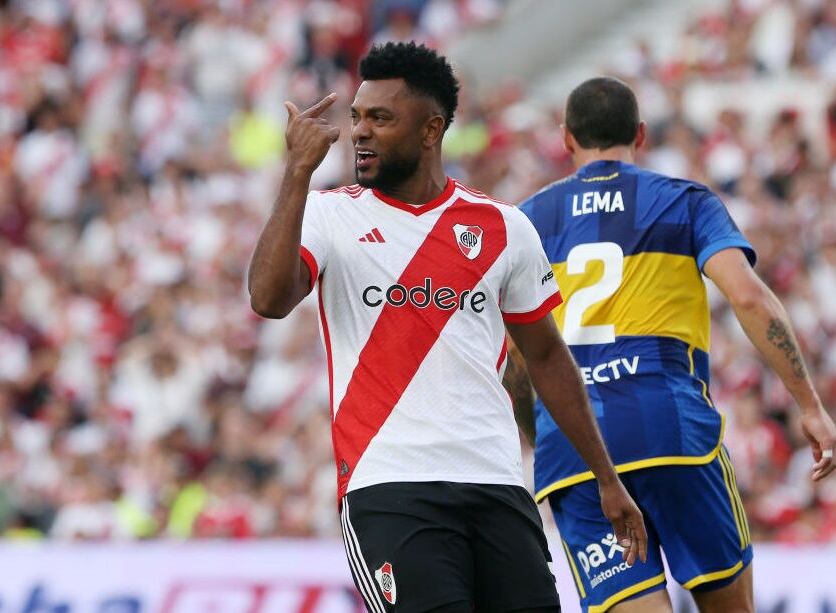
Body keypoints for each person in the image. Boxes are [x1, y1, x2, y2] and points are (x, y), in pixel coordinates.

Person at [247, 43, 647, 613]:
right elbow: (267, 298)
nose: (359, 132)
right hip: (389, 485)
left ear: (431, 130)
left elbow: (548, 359)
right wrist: (295, 173)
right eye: (356, 117)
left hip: (497, 482)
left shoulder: (504, 227)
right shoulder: (329, 214)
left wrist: (606, 477)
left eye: (380, 119)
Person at [514, 77, 836, 613]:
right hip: (672, 432)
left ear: (566, 138)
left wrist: (547, 433)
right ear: (640, 134)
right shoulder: (683, 201)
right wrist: (809, 405)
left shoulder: (525, 222)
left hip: (575, 453)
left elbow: (516, 359)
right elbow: (750, 298)